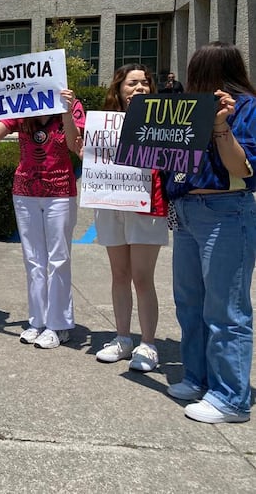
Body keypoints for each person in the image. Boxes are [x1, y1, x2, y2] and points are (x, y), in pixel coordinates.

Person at [165, 42, 256, 424]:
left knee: (226, 308)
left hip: (226, 210)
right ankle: (198, 377)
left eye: (197, 71)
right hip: (187, 210)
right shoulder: (188, 108)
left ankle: (231, 397)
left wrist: (220, 124)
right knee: (189, 302)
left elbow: (245, 168)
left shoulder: (247, 108)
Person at [0, 88, 85, 349]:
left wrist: (66, 112)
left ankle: (58, 324)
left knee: (58, 258)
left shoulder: (70, 104)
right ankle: (38, 321)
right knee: (33, 260)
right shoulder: (22, 108)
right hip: (26, 191)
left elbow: (77, 146)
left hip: (60, 191)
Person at [94, 64, 169, 371]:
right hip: (111, 202)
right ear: (119, 89)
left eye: (145, 83)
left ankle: (148, 344)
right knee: (119, 275)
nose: (139, 88)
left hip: (146, 204)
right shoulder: (104, 123)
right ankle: (123, 338)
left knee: (142, 277)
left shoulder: (163, 121)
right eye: (132, 83)